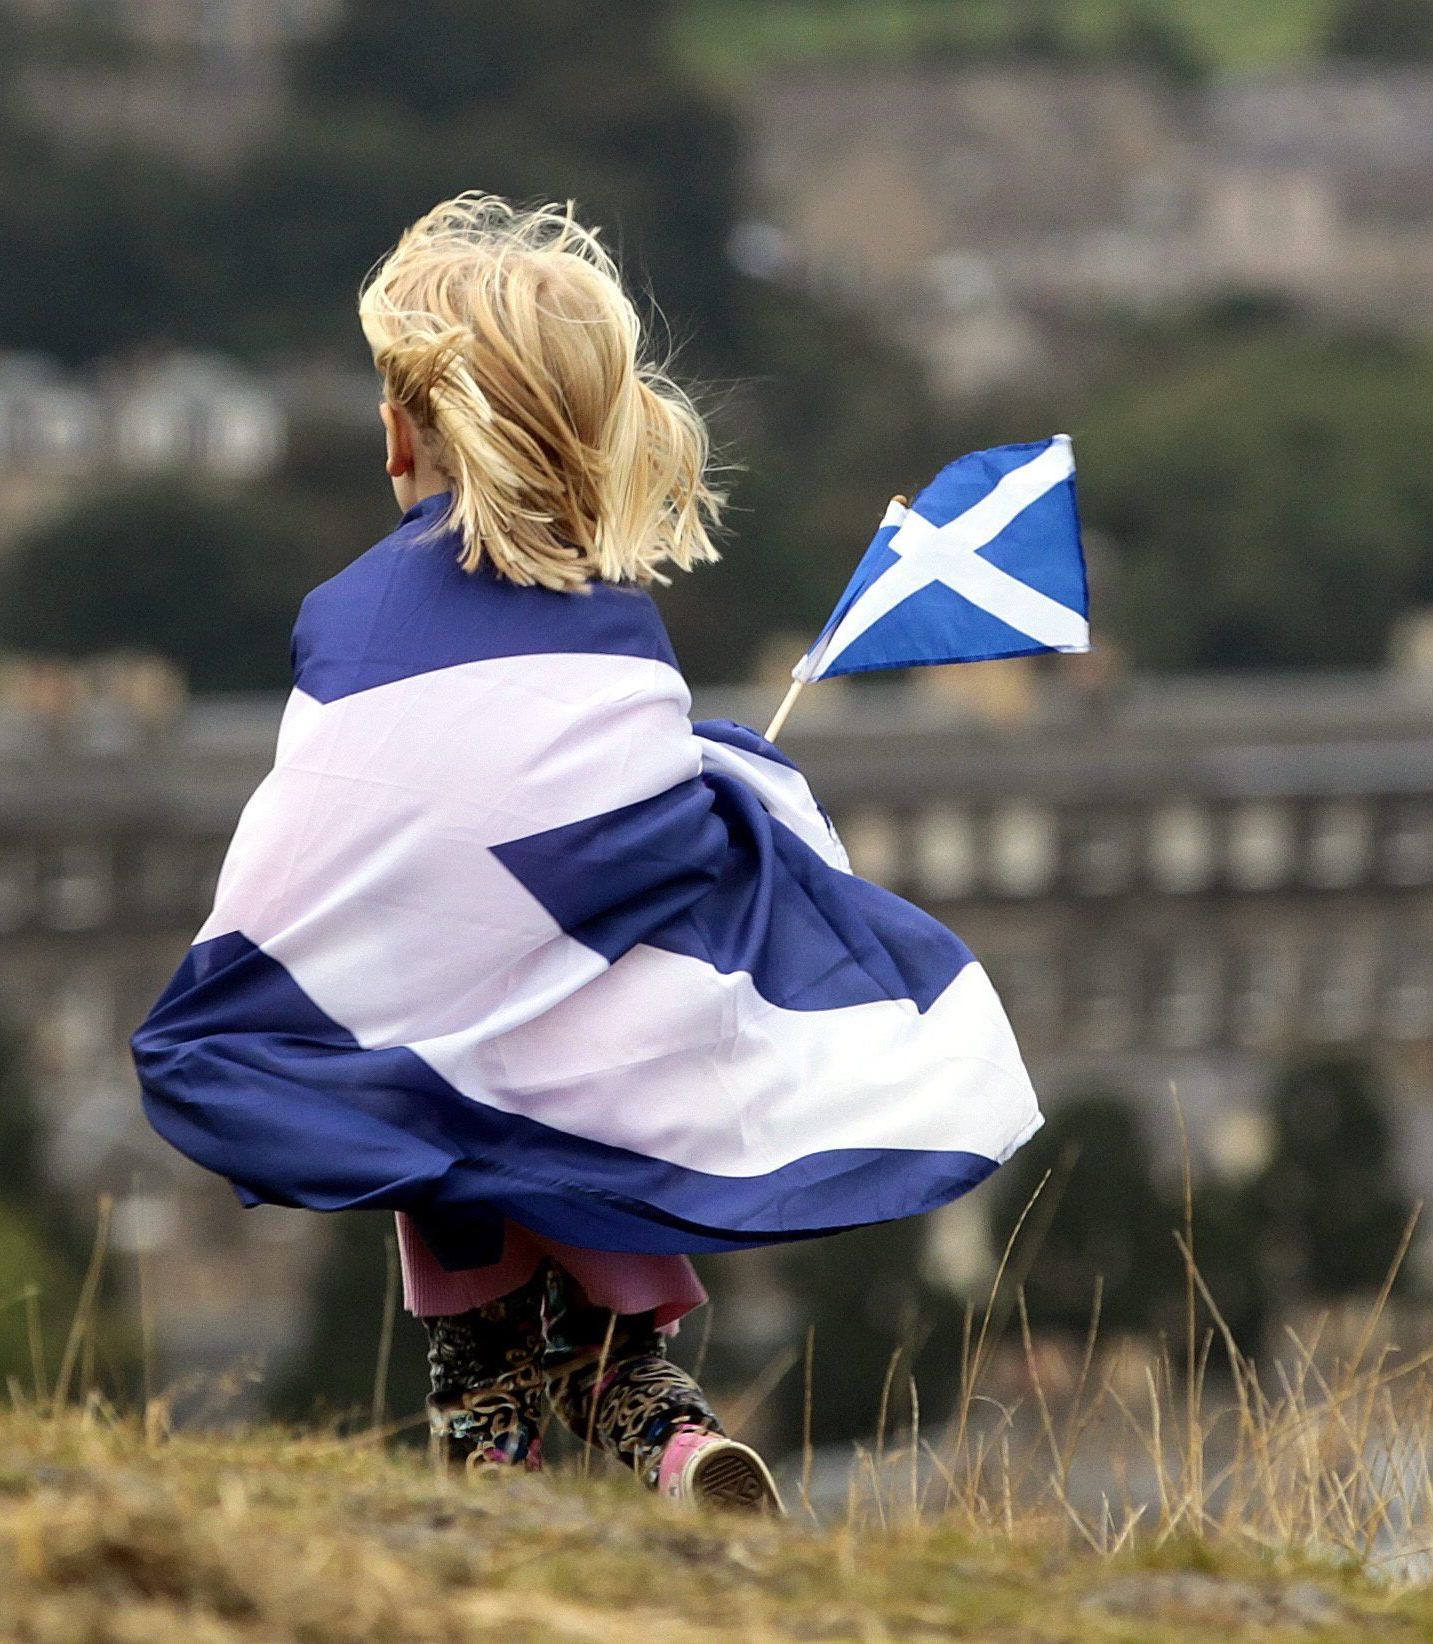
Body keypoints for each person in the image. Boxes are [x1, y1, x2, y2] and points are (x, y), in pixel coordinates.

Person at [133, 195, 1040, 1512]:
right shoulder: (612, 619)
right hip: (580, 979)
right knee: (566, 1042)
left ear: (402, 433)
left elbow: (343, 809)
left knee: (426, 1057)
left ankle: (490, 1440)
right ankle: (664, 1429)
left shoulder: (352, 613)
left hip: (450, 992)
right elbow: (632, 793)